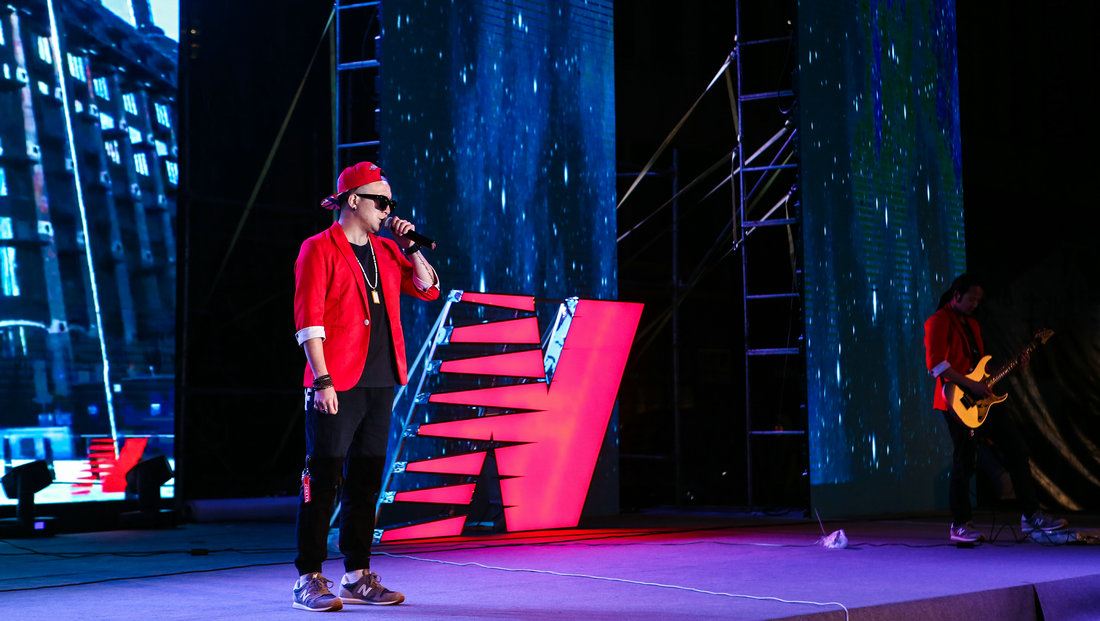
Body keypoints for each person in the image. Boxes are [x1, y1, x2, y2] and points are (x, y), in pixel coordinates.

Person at [291, 162, 440, 611]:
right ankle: (308, 578)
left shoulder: (387, 251)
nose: (388, 210)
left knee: (366, 480)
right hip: (335, 382)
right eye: (381, 202)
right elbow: (309, 320)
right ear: (353, 200)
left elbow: (428, 288)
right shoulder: (319, 248)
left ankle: (356, 575)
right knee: (323, 478)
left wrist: (411, 247)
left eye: (391, 203)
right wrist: (322, 380)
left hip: (381, 379)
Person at [923, 274, 1065, 543]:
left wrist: (1013, 366)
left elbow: (982, 368)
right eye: (971, 299)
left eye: (978, 300)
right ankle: (960, 524)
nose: (975, 304)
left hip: (982, 399)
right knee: (965, 459)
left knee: (1017, 448)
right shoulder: (938, 321)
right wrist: (972, 386)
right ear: (956, 295)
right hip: (955, 401)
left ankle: (1030, 515)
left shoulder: (973, 325)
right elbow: (937, 366)